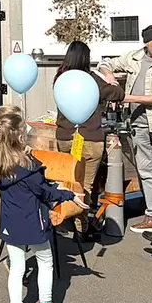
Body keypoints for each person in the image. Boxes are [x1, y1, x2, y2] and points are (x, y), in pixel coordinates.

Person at [0, 106, 87, 303]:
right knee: (45, 261)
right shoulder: (29, 167)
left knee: (17, 268)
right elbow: (45, 192)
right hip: (34, 222)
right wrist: (70, 195)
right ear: (19, 135)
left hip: (10, 222)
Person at [98, 24, 152, 234]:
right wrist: (109, 77)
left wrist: (124, 97)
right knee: (147, 171)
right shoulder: (134, 58)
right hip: (138, 125)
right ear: (146, 43)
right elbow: (105, 63)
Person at [54, 41, 125, 235]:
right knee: (85, 185)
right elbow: (118, 94)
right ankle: (81, 226)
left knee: (67, 180)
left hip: (65, 136)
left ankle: (64, 219)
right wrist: (112, 81)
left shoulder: (60, 78)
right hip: (90, 137)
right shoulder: (92, 80)